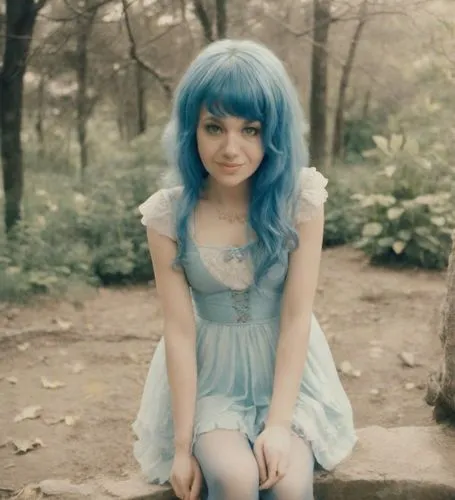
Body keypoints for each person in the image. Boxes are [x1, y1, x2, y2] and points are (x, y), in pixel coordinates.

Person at [132, 39, 357, 500]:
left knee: (289, 484)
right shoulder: (167, 216)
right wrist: (181, 447)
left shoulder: (301, 200)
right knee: (235, 479)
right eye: (214, 127)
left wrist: (277, 426)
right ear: (191, 131)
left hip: (291, 376)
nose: (231, 148)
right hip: (212, 380)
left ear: (271, 133)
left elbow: (297, 317)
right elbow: (178, 330)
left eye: (250, 130)